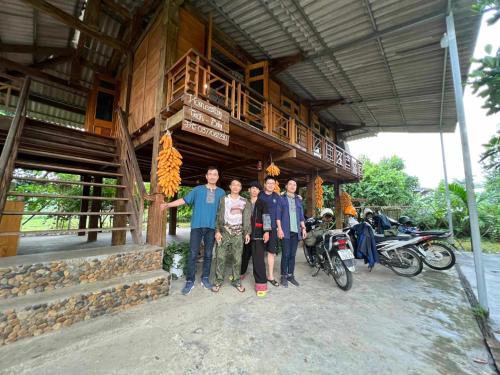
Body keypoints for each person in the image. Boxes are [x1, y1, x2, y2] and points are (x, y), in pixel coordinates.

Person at [161, 167, 225, 295]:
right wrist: (167, 205)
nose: (212, 176)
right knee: (193, 254)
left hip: (212, 228)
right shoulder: (197, 190)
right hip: (197, 226)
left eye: (215, 174)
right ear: (206, 176)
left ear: (218, 177)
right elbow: (184, 200)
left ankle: (205, 278)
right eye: (210, 174)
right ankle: (190, 280)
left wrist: (220, 230)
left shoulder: (221, 192)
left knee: (208, 254)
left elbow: (223, 212)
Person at [212, 179, 251, 293]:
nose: (235, 187)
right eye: (233, 184)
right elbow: (218, 215)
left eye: (238, 185)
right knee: (220, 257)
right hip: (224, 232)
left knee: (237, 259)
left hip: (238, 234)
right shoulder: (223, 199)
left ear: (240, 188)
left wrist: (247, 233)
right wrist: (217, 231)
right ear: (230, 186)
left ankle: (236, 281)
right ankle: (218, 281)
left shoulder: (245, 202)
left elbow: (247, 219)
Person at [240, 181, 271, 297]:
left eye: (256, 189)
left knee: (258, 260)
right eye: (252, 188)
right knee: (244, 255)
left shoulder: (263, 203)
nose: (254, 190)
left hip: (258, 234)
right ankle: (241, 273)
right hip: (246, 233)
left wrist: (266, 232)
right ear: (249, 190)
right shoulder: (244, 203)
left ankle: (261, 284)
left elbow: (267, 218)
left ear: (259, 191)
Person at [278, 178, 306, 287]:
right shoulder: (281, 199)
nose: (293, 186)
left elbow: (301, 216)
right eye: (290, 184)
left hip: (296, 231)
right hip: (285, 230)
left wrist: (303, 228)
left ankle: (291, 275)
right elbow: (278, 215)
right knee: (285, 254)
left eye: (295, 184)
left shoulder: (298, 200)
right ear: (286, 186)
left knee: (292, 255)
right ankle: (283, 276)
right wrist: (279, 229)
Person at [258, 176, 283, 287]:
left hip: (272, 228)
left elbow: (278, 213)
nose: (271, 185)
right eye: (269, 183)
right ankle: (259, 277)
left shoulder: (277, 197)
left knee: (271, 252)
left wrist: (279, 228)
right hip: (259, 228)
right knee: (258, 253)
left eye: (273, 183)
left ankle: (271, 276)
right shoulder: (260, 195)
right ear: (265, 184)